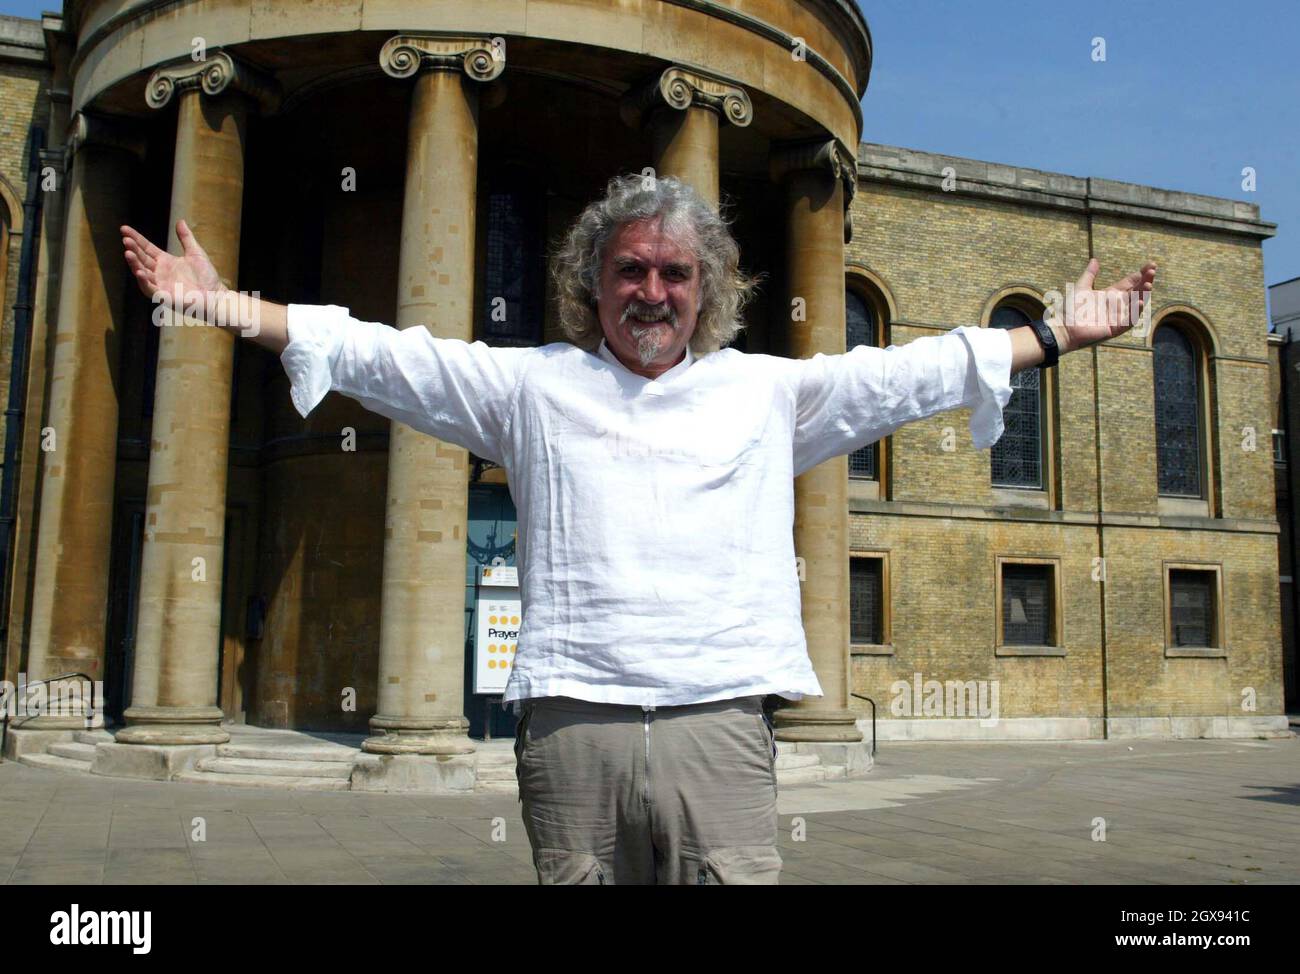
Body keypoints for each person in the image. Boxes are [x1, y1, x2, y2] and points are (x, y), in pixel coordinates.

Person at [120, 173, 1155, 885]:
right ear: (591, 283)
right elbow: (388, 354)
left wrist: (1057, 331)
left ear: (705, 290)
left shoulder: (764, 392)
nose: (651, 290)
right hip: (575, 728)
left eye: (674, 273)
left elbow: (908, 373)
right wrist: (226, 305)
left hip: (719, 726)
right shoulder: (531, 385)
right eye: (630, 271)